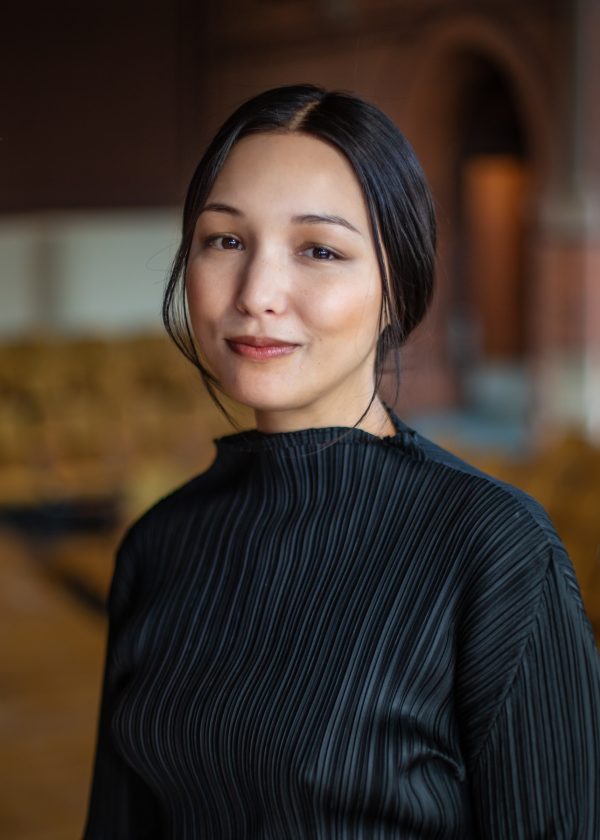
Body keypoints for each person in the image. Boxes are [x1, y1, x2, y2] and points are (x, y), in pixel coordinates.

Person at [83, 84, 600, 839]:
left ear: (397, 288)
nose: (257, 293)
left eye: (319, 250)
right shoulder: (158, 546)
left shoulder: (495, 552)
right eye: (224, 240)